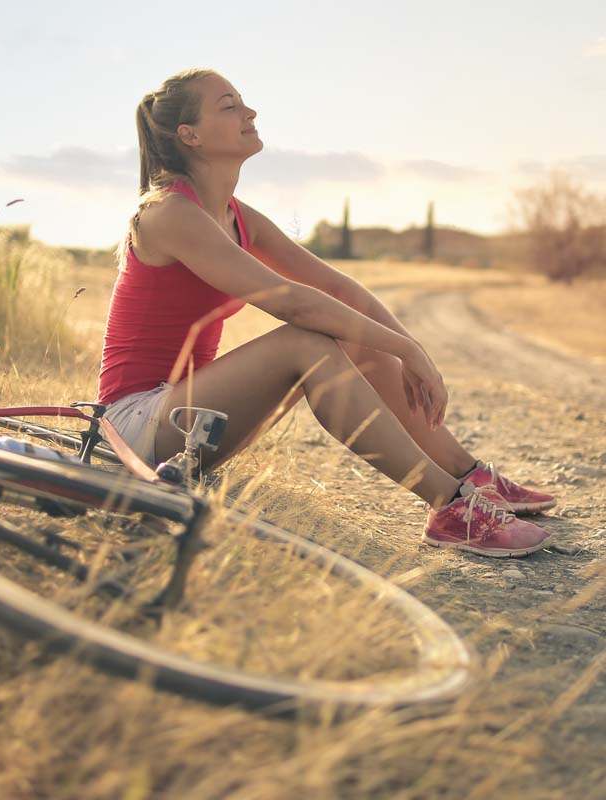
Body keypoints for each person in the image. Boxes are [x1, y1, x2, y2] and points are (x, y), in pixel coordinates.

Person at [97, 68, 555, 558]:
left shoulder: (236, 215)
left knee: (354, 332)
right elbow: (290, 300)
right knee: (307, 340)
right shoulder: (168, 213)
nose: (249, 113)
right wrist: (403, 348)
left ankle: (470, 478)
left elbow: (335, 286)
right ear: (190, 135)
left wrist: (411, 349)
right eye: (229, 106)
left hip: (194, 422)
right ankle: (449, 506)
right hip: (135, 425)